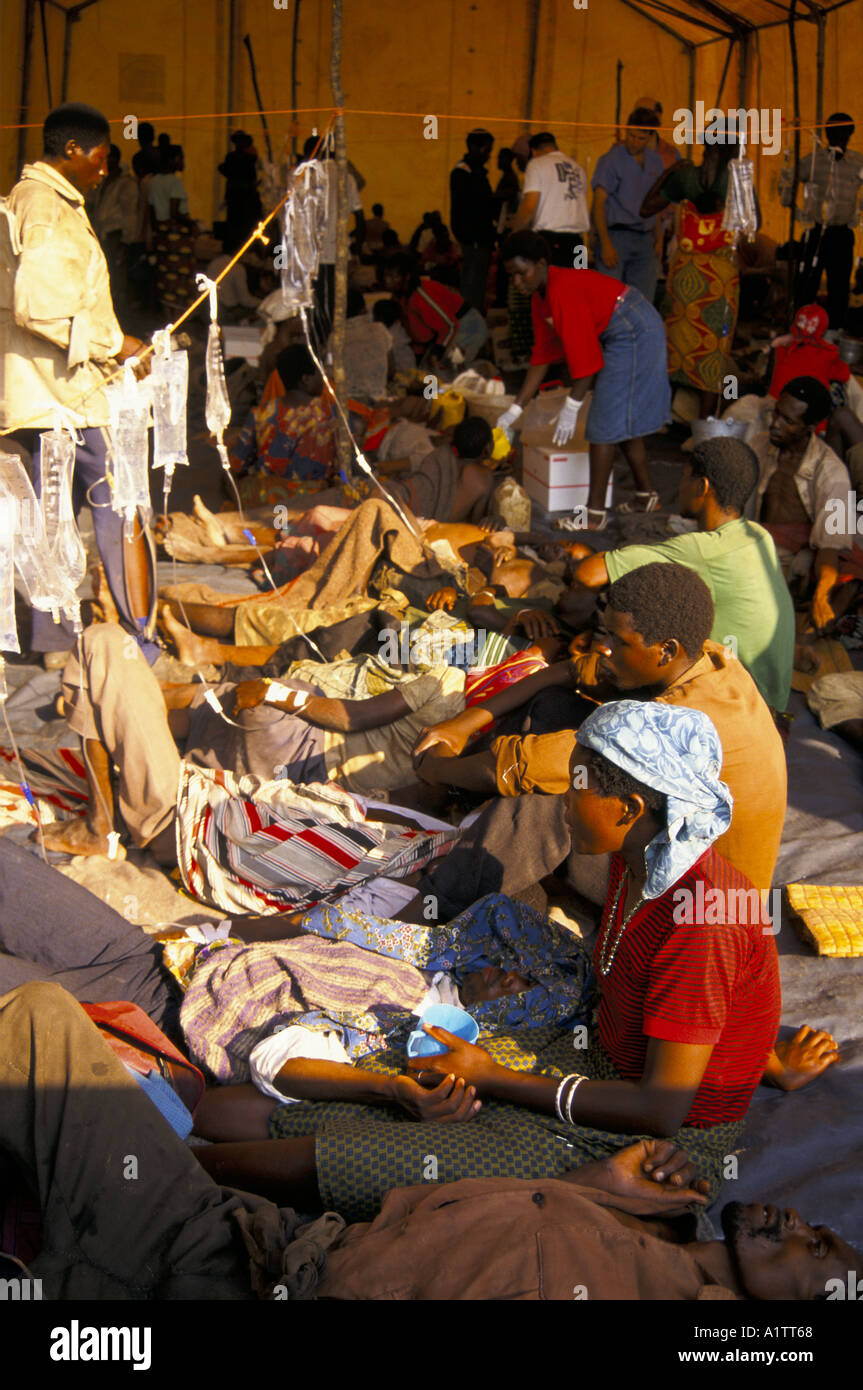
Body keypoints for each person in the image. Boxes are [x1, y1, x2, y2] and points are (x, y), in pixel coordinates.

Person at [192, 703, 830, 1222]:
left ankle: (186, 1176)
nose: (562, 801)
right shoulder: (639, 862)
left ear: (631, 809)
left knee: (394, 1162)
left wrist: (494, 1077)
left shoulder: (703, 922)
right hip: (596, 1062)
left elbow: (661, 1109)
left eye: (575, 788)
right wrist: (765, 1058)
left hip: (663, 1138)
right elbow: (698, 1018)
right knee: (408, 1086)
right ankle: (203, 1129)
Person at [3, 982, 853, 1299]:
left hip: (237, 1269)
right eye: (823, 1229)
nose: (800, 1224)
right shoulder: (660, 1217)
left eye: (819, 1255)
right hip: (243, 1230)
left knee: (43, 1033)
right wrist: (602, 1184)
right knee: (45, 1025)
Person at [408, 563, 787, 916]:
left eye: (617, 640)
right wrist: (462, 725)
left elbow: (525, 765)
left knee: (555, 794)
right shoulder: (704, 658)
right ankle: (458, 809)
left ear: (665, 649)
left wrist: (437, 768)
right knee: (554, 707)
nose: (603, 647)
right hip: (668, 860)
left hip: (696, 910)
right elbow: (566, 672)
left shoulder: (680, 722)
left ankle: (427, 909)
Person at [0, 101, 156, 664]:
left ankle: (55, 640)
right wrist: (116, 346)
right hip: (61, 398)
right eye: (99, 157)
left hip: (52, 394)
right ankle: (139, 636)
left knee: (53, 515)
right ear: (71, 150)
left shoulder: (45, 200)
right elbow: (36, 309)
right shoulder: (44, 208)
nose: (103, 168)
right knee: (121, 504)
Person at [569, 437, 795, 713]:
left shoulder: (702, 550)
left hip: (733, 706)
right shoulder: (759, 537)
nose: (679, 487)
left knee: (584, 671)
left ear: (702, 487)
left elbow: (587, 574)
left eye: (685, 478)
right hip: (773, 705)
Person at [496, 230, 669, 528]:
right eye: (511, 276)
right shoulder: (541, 298)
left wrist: (572, 406)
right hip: (628, 326)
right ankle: (646, 495)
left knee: (602, 424)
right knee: (620, 418)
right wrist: (516, 408)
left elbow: (587, 364)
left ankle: (593, 516)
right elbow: (541, 356)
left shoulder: (563, 290)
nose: (516, 282)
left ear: (540, 264)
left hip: (633, 329)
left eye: (522, 273)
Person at [641, 132, 743, 418]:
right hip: (719, 283)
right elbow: (750, 229)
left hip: (684, 278)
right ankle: (705, 426)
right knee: (714, 352)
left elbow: (646, 208)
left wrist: (670, 171)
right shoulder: (738, 182)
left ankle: (660, 418)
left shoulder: (686, 178)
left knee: (674, 345)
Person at [748, 376, 856, 632]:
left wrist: (821, 595)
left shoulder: (832, 472)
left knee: (849, 575)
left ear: (811, 427)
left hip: (795, 557)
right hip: (753, 542)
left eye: (788, 421)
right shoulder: (759, 445)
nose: (775, 424)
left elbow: (831, 545)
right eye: (777, 413)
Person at [229, 344, 337, 508]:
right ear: (306, 379)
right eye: (319, 373)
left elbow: (238, 465)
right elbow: (344, 465)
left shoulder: (260, 413)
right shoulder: (331, 414)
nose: (323, 378)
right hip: (312, 501)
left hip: (266, 499)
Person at [795, 113, 863, 330]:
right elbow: (789, 180)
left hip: (842, 233)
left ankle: (833, 335)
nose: (838, 137)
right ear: (826, 133)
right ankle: (801, 330)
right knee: (806, 284)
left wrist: (858, 214)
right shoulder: (812, 162)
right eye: (834, 132)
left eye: (843, 132)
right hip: (815, 232)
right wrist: (799, 213)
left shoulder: (857, 164)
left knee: (840, 288)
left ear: (850, 135)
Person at [592, 108, 664, 302]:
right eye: (630, 135)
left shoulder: (655, 162)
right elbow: (598, 203)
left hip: (645, 239)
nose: (633, 141)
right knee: (609, 299)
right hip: (616, 236)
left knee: (643, 300)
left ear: (650, 136)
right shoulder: (611, 160)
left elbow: (655, 204)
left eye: (640, 138)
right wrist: (605, 242)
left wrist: (659, 239)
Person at [302, 136, 364, 340]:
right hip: (339, 254)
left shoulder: (306, 176)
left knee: (315, 305)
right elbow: (360, 218)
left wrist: (282, 258)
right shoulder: (347, 177)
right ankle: (333, 346)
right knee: (336, 305)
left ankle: (316, 344)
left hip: (313, 256)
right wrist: (356, 250)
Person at [383, 252, 487, 366]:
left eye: (394, 276)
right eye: (386, 276)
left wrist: (437, 352)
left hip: (466, 326)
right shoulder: (399, 297)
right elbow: (417, 331)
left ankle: (482, 367)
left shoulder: (422, 295)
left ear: (406, 276)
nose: (388, 281)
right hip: (446, 330)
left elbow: (450, 325)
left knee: (446, 367)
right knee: (426, 372)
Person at [512, 132, 589, 269]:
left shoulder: (536, 164)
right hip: (578, 242)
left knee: (550, 285)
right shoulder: (578, 168)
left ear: (533, 151)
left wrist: (515, 234)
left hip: (549, 240)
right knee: (577, 285)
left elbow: (529, 207)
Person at [88, 143, 139, 316]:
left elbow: (130, 213)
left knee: (116, 278)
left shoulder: (126, 183)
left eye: (108, 158)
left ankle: (119, 315)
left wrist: (125, 241)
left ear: (116, 159)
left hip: (116, 235)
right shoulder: (103, 180)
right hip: (101, 233)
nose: (106, 162)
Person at [449, 128, 497, 313]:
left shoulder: (476, 172)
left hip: (481, 240)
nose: (488, 157)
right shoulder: (463, 173)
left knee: (478, 287)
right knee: (471, 289)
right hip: (474, 239)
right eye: (486, 151)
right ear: (473, 148)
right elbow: (472, 207)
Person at [149, 142, 197, 313]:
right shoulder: (175, 182)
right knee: (180, 279)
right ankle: (178, 319)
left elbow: (153, 212)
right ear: (173, 160)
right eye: (181, 158)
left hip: (162, 235)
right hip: (176, 236)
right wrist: (192, 224)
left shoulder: (154, 181)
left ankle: (167, 319)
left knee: (165, 279)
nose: (183, 161)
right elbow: (174, 211)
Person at [218, 129, 262, 248]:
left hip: (247, 199)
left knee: (247, 227)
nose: (240, 144)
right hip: (235, 198)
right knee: (234, 227)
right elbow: (227, 171)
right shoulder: (232, 157)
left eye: (242, 141)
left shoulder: (250, 158)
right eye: (238, 141)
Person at [372, 297, 416, 373]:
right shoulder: (398, 330)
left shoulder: (392, 337)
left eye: (374, 316)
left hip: (402, 372)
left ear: (380, 318)